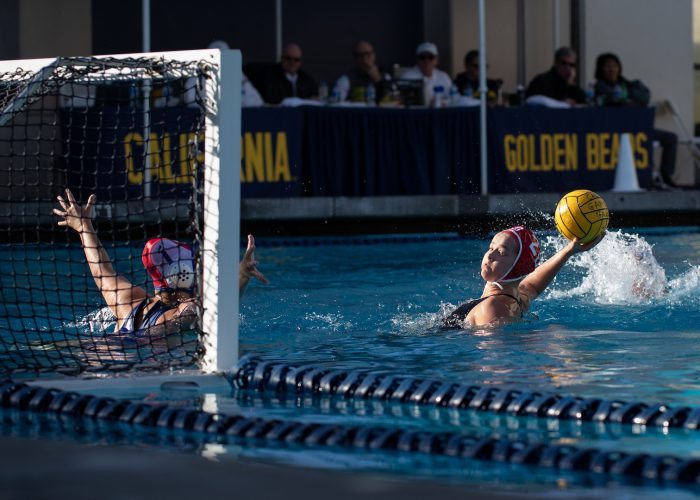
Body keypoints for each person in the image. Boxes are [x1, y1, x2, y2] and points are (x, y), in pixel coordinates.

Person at [53, 189, 268, 335]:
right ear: (183, 273)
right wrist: (242, 275)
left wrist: (84, 227)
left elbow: (102, 270)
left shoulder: (130, 300)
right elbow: (223, 310)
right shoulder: (188, 311)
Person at [443, 226, 603, 328]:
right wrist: (569, 251)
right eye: (491, 247)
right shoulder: (518, 301)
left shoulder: (493, 307)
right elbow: (532, 285)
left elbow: (494, 366)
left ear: (519, 266)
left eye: (502, 252)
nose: (490, 255)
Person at [593, 52, 679, 189]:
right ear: (600, 70)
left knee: (671, 138)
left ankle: (666, 175)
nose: (611, 70)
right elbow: (609, 100)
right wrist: (623, 100)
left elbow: (645, 96)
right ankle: (649, 178)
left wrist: (628, 98)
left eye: (614, 66)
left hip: (640, 128)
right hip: (615, 134)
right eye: (607, 67)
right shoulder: (598, 88)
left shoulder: (628, 85)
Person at [245, 43, 319, 105]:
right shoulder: (269, 75)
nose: (292, 63)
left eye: (296, 60)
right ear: (282, 58)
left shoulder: (306, 80)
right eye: (288, 58)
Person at [401, 42, 454, 106]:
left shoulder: (443, 76)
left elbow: (453, 97)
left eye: (431, 57)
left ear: (437, 59)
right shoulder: (407, 76)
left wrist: (440, 102)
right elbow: (401, 100)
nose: (426, 61)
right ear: (417, 59)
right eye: (422, 57)